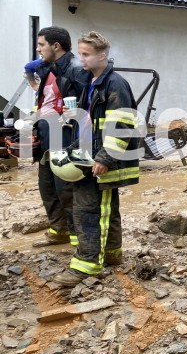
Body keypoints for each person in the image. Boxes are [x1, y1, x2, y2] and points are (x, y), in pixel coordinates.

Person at [52, 31, 140, 287]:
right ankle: (112, 255)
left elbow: (121, 125)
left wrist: (104, 158)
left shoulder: (115, 84)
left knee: (89, 211)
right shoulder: (92, 82)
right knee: (107, 210)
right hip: (89, 154)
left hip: (100, 159)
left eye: (86, 54)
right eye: (80, 54)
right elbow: (91, 121)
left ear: (102, 55)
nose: (81, 60)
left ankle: (87, 264)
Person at [33, 27, 87, 247]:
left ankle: (78, 240)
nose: (38, 49)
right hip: (46, 134)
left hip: (65, 136)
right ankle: (59, 230)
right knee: (46, 186)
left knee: (65, 188)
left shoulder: (75, 70)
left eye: (41, 45)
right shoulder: (48, 69)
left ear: (56, 46)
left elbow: (88, 104)